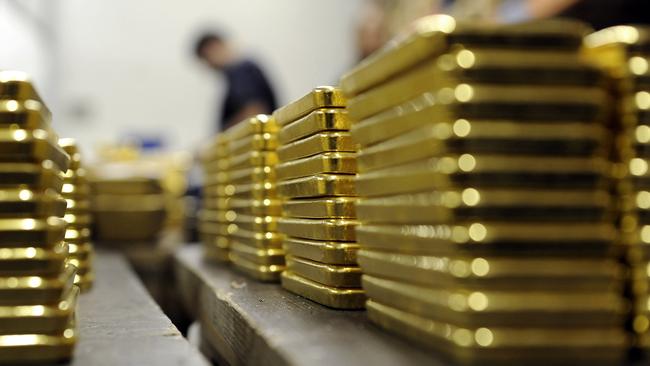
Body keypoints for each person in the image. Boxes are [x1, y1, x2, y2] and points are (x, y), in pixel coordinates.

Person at [194, 32, 277, 130]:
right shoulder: (240, 72)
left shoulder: (241, 71)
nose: (209, 66)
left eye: (206, 59)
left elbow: (254, 111)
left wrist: (222, 137)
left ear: (214, 47)